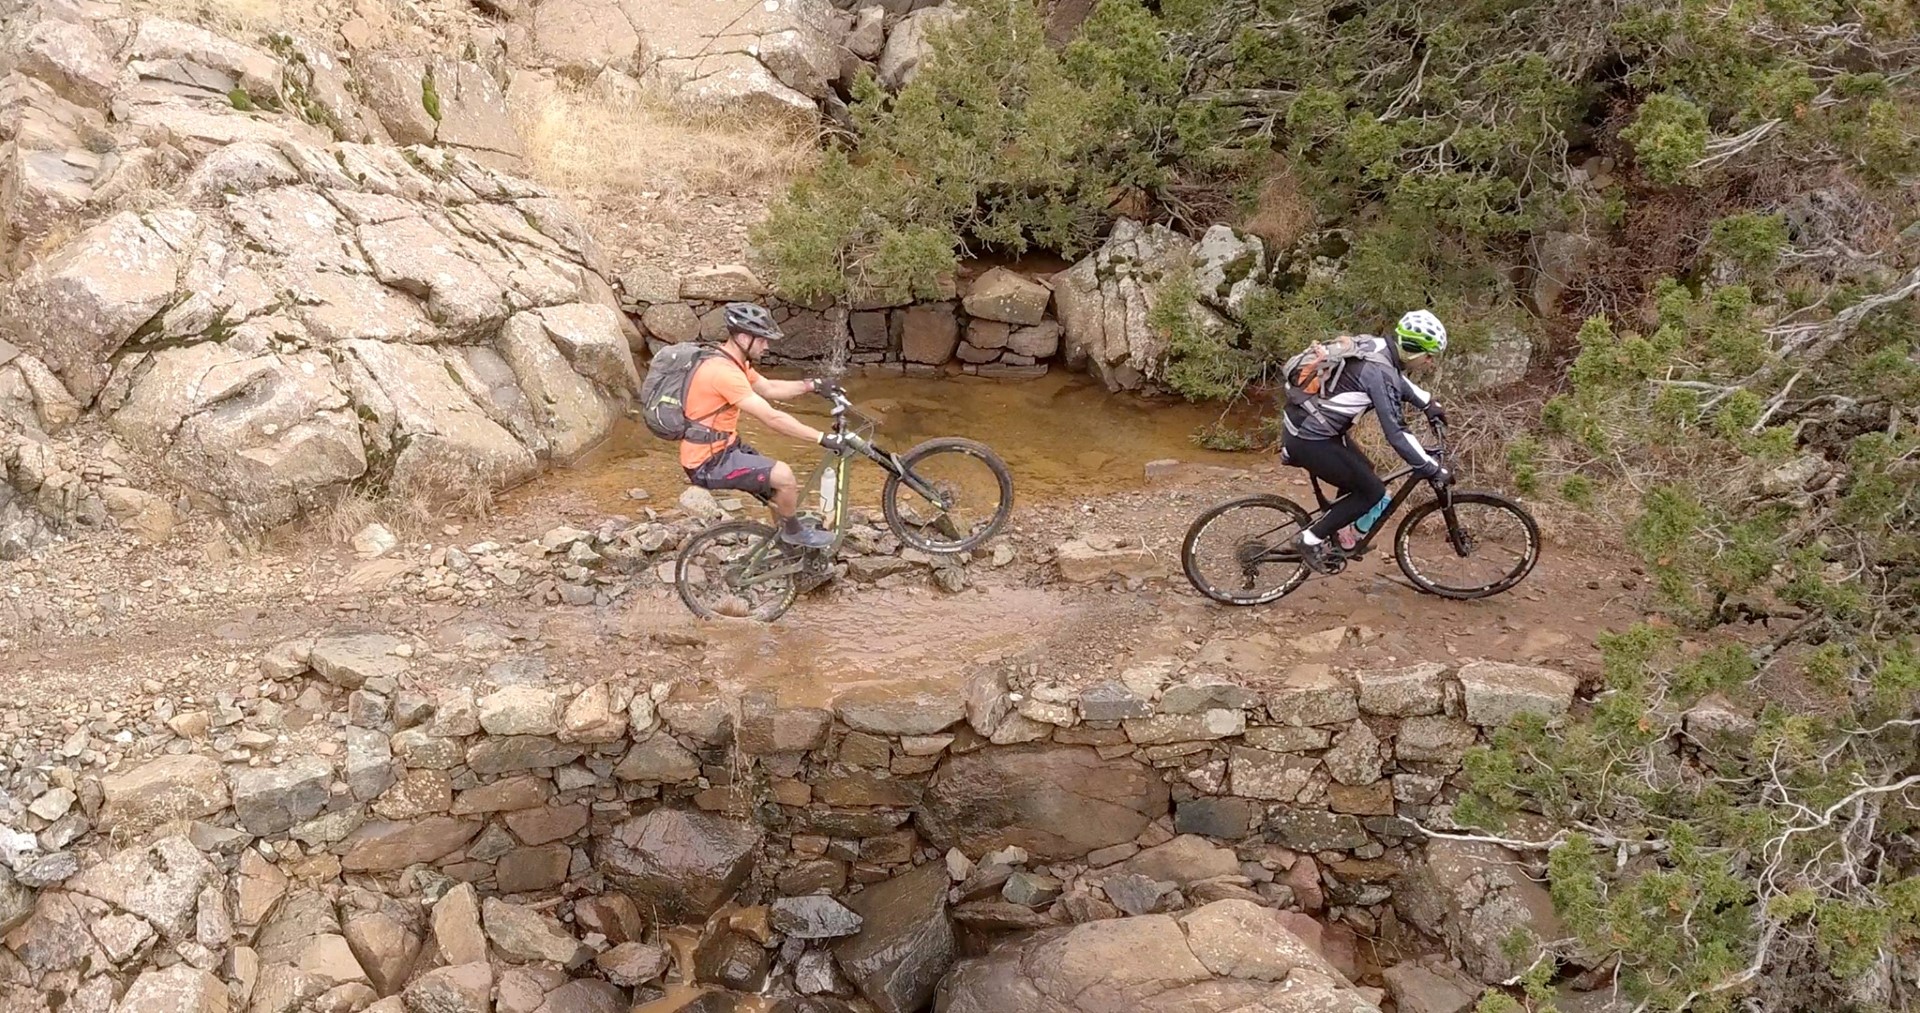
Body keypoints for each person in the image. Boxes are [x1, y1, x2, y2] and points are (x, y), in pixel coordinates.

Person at [1285, 309, 1452, 574]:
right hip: (1310, 440)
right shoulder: (1380, 371)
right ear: (1411, 350)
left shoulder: (1377, 346)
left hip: (1308, 427)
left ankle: (1338, 530)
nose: (1430, 362)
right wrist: (1430, 467)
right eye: (1428, 355)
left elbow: (1397, 381)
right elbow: (1396, 432)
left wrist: (1427, 403)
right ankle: (1310, 539)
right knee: (1372, 491)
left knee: (1365, 471)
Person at [680, 303, 848, 549]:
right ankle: (793, 535)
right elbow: (772, 418)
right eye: (762, 340)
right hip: (708, 462)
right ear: (744, 337)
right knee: (785, 477)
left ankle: (786, 549)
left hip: (725, 448)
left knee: (775, 492)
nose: (767, 346)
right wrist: (821, 437)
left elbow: (769, 389)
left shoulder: (732, 362)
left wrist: (813, 385)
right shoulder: (723, 373)